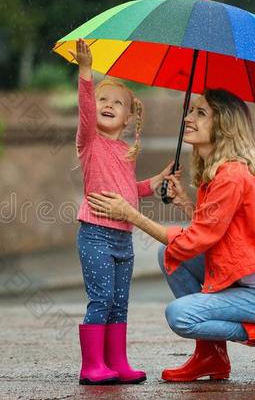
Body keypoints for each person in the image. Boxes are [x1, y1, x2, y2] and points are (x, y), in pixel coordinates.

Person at [86, 89, 255, 383]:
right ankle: (211, 357)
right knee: (170, 256)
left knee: (181, 316)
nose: (188, 118)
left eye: (200, 113)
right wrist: (184, 203)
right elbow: (218, 234)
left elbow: (196, 240)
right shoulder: (218, 174)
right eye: (191, 110)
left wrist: (130, 214)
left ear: (223, 127)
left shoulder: (231, 176)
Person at [69, 38, 180, 385]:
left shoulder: (124, 150)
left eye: (117, 103)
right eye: (103, 99)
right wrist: (86, 73)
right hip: (96, 235)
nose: (106, 105)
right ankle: (92, 366)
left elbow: (129, 193)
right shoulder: (90, 142)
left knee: (119, 302)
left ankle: (116, 362)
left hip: (123, 238)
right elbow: (86, 112)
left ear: (129, 117)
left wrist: (157, 180)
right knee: (100, 299)